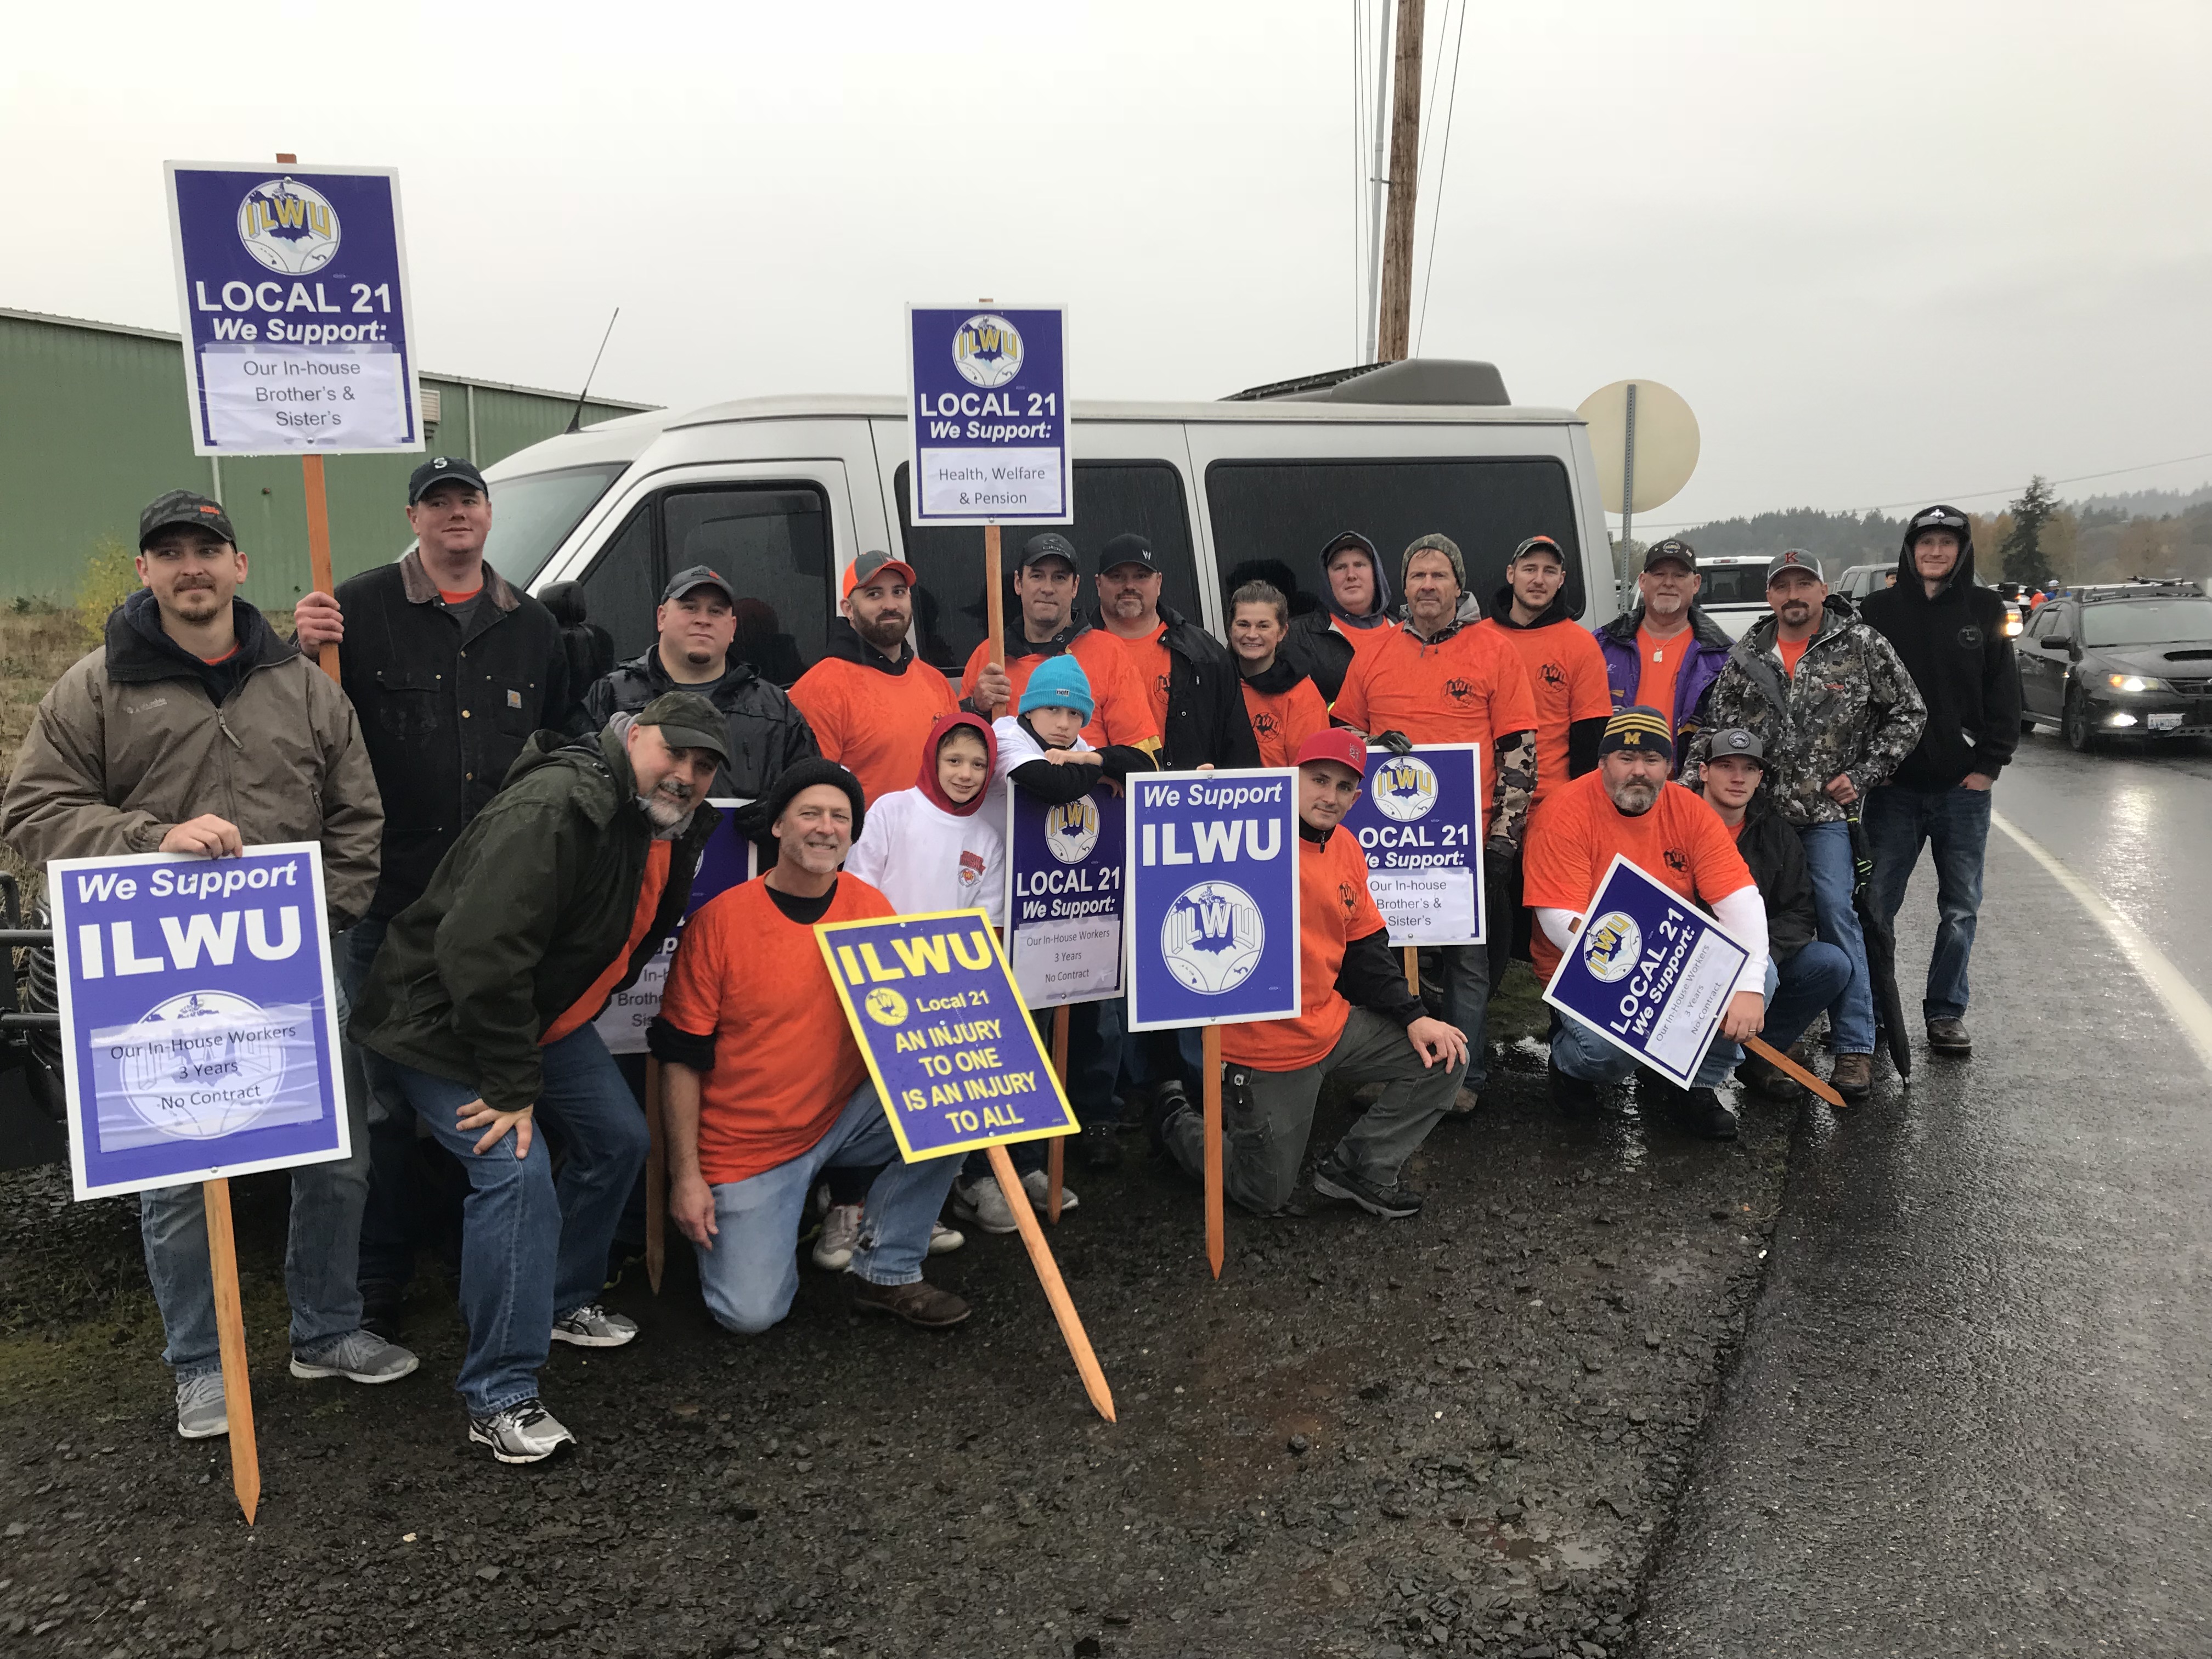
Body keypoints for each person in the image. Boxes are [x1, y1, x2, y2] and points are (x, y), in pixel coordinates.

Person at [2, 489, 410, 1439]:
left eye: (208, 549)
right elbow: (30, 811)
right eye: (170, 552)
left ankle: (327, 1327)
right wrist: (152, 838)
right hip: (155, 971)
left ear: (240, 567)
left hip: (291, 959)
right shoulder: (95, 685)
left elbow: (357, 814)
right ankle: (199, 1360)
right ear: (145, 571)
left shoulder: (306, 685)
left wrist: (325, 915)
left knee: (339, 1156)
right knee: (181, 1173)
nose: (191, 567)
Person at [350, 693, 726, 1463]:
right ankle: (499, 1393)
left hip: (530, 1019)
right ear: (635, 734)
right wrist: (513, 1080)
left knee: (619, 1140)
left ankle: (555, 1300)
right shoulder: (561, 803)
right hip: (440, 1025)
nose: (686, 776)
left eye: (705, 766)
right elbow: (479, 951)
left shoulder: (649, 817)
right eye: (675, 754)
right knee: (513, 1172)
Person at [290, 455, 575, 1337]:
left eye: (469, 500)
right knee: (377, 1106)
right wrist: (295, 647)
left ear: (488, 516)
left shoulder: (531, 625)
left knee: (479, 1086)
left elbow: (557, 751)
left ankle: (466, 1252)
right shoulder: (353, 611)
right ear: (413, 517)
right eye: (438, 502)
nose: (456, 514)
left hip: (494, 917)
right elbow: (293, 721)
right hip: (384, 905)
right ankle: (377, 1281)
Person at [656, 759, 971, 1335]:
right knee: (749, 1315)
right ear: (778, 826)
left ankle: (889, 1270)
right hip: (747, 1147)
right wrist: (686, 1178)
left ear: (853, 833)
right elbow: (680, 1056)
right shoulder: (720, 923)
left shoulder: (870, 908)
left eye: (840, 817)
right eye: (810, 814)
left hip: (839, 1118)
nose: (826, 828)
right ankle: (775, 1218)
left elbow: (908, 1031)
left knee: (958, 1099)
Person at [1152, 730, 1470, 1218]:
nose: (1330, 796)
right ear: (1291, 779)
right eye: (1319, 780)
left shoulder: (1345, 846)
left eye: (1344, 787)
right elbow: (1173, 856)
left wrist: (1414, 1015)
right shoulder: (1242, 833)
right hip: (1265, 1046)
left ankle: (1359, 1169)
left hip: (1330, 1025)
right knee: (1263, 1196)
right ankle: (1178, 1121)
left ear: (1357, 797)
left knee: (1447, 1055)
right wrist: (1197, 802)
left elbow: (1366, 949)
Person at [1684, 550, 1926, 1100]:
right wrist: (1687, 789)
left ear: (1823, 590)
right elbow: (1713, 725)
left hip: (1821, 818)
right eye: (1782, 586)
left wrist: (1866, 772)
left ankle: (1855, 1048)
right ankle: (1759, 1033)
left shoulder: (1863, 645)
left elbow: (1910, 712)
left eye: (1804, 585)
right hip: (1757, 815)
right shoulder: (1749, 652)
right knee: (1732, 914)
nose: (1793, 595)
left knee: (1837, 914)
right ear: (1771, 595)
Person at [1331, 532, 1538, 1119]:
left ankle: (1463, 1076)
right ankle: (1405, 1071)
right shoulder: (1373, 651)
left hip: (1462, 841)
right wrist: (1368, 742)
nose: (1427, 585)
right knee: (1391, 958)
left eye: (1439, 575)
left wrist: (1503, 841)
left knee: (1467, 963)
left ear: (1458, 585)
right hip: (1384, 842)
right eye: (1418, 575)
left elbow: (1521, 753)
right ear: (1403, 584)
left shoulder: (1494, 649)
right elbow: (1341, 739)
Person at [1522, 708, 1770, 1139]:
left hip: (1672, 956)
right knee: (1608, 1052)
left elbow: (1741, 901)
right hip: (1587, 963)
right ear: (1602, 762)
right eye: (1625, 757)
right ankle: (1568, 1065)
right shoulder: (1564, 810)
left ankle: (1692, 1084)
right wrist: (1648, 977)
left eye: (1652, 760)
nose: (1639, 771)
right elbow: (1559, 919)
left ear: (1670, 766)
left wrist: (1747, 986)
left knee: (1763, 976)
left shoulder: (1690, 811)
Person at [820, 713, 1002, 1270]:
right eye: (954, 761)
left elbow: (984, 926)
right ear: (932, 758)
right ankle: (844, 1208)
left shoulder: (986, 836)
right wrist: (888, 966)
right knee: (862, 1096)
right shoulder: (892, 810)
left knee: (932, 1106)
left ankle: (908, 1214)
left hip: (943, 990)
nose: (965, 774)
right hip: (879, 978)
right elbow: (857, 888)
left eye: (977, 764)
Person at [974, 656, 1159, 1194]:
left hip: (1065, 907)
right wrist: (1098, 772)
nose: (1064, 723)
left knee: (1074, 1026)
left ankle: (1052, 1147)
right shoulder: (1007, 734)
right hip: (1004, 911)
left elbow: (1143, 767)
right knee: (1016, 1041)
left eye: (1075, 714)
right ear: (1031, 708)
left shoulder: (1075, 744)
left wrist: (1094, 758)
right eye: (1053, 709)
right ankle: (998, 1168)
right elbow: (1047, 784)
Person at [1857, 505, 2022, 1057]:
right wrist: (1866, 769)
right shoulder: (1879, 610)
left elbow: (2004, 691)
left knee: (1960, 908)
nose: (1934, 552)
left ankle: (1946, 1012)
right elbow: (1859, 694)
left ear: (1961, 551)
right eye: (1925, 542)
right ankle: (1875, 1012)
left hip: (1961, 791)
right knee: (1876, 905)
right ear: (1911, 549)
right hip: (1893, 792)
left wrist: (1989, 764)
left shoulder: (1984, 608)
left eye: (1945, 544)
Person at [1475, 534, 1615, 977]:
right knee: (1486, 922)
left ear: (1561, 580)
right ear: (1511, 574)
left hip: (1549, 808)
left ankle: (1566, 1021)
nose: (1538, 579)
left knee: (1554, 922)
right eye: (1529, 568)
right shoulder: (1477, 639)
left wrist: (1580, 811)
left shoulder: (1579, 645)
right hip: (1482, 807)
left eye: (1549, 571)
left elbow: (1590, 739)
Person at [1692, 727, 1853, 1100]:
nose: (1738, 778)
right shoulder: (1678, 820)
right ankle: (1689, 1074)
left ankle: (1754, 1053)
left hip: (1757, 954)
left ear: (1760, 777)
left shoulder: (1777, 833)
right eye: (1726, 766)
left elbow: (1800, 912)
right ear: (1703, 772)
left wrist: (1760, 954)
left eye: (1749, 769)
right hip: (1690, 955)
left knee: (1831, 963)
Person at [580, 564, 819, 800]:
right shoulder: (610, 695)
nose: (703, 620)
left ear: (733, 628)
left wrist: (777, 812)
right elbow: (579, 784)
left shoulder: (775, 709)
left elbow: (813, 793)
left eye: (716, 611)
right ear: (662, 617)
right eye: (690, 608)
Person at [790, 550, 1009, 805]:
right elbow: (810, 800)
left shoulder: (934, 682)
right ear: (848, 609)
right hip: (864, 844)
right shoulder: (819, 691)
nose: (891, 605)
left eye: (898, 592)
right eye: (874, 594)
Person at [957, 532, 1160, 756]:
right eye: (1037, 576)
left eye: (1060, 578)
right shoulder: (989, 655)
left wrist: (1086, 764)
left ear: (1075, 586)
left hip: (1089, 790)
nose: (1047, 588)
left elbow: (1141, 758)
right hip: (1008, 789)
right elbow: (957, 755)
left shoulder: (1110, 652)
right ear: (1018, 583)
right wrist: (975, 707)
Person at [1092, 532, 1260, 770]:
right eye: (1117, 577)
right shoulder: (1073, 651)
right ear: (1099, 584)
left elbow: (1239, 749)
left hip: (1185, 800)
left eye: (1141, 576)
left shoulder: (1204, 654)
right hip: (1098, 800)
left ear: (1158, 582)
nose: (1129, 586)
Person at [1591, 539, 1733, 766]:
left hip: (1686, 787)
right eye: (1659, 574)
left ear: (1696, 584)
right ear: (1643, 581)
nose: (1668, 583)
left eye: (1679, 575)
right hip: (1613, 784)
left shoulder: (1723, 657)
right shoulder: (1601, 645)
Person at [1227, 580, 1330, 768]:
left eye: (1263, 626)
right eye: (1243, 624)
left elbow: (1311, 774)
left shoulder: (1302, 694)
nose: (1252, 634)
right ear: (1230, 629)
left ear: (1282, 631)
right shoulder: (1215, 683)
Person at [1285, 531, 1395, 704]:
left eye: (1360, 565)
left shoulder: (1408, 632)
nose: (1351, 575)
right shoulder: (1294, 636)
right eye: (1340, 567)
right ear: (1327, 579)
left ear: (1376, 573)